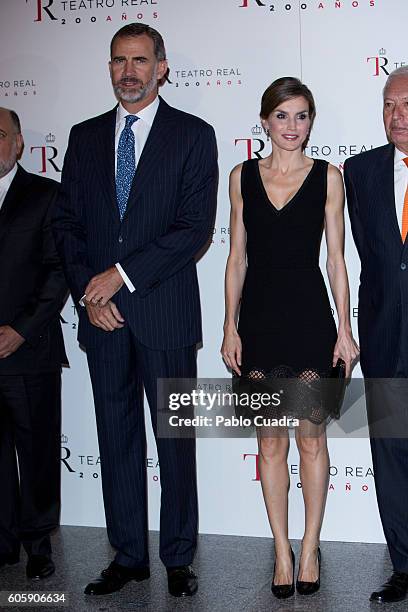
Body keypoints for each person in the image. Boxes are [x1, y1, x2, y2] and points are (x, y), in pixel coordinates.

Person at [53, 23, 218, 598]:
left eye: (141, 61)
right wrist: (88, 293)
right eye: (120, 61)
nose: (130, 71)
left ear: (162, 67)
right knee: (115, 436)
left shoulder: (193, 135)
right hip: (102, 320)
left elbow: (192, 228)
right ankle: (127, 556)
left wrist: (117, 278)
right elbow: (68, 226)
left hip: (165, 314)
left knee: (174, 442)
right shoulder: (83, 136)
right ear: (110, 68)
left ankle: (177, 557)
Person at [222, 77, 358, 599]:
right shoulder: (240, 177)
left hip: (309, 321)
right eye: (282, 116)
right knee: (270, 439)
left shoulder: (329, 177)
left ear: (311, 121)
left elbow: (337, 260)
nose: (292, 127)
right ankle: (280, 548)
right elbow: (236, 258)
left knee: (311, 437)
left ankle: (309, 544)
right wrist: (229, 325)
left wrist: (345, 329)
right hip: (258, 321)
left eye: (301, 116)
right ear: (264, 121)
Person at [344, 66, 408, 604]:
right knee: (389, 451)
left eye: (407, 103)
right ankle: (404, 565)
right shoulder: (359, 171)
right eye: (389, 105)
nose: (398, 115)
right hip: (386, 334)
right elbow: (373, 257)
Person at [0, 108, 67, 580]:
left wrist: (19, 329)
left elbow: (58, 270)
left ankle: (39, 543)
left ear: (19, 143)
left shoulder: (46, 195)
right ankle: (3, 544)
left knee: (37, 450)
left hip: (29, 348)